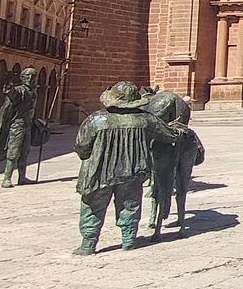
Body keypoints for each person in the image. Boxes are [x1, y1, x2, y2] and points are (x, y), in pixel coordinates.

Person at [72, 81, 180, 255]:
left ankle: (88, 244)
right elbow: (169, 135)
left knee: (93, 207)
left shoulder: (95, 119)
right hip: (132, 171)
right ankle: (128, 240)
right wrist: (179, 129)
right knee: (130, 205)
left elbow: (82, 147)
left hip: (99, 173)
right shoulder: (145, 119)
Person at [144, 90, 205, 238]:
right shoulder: (189, 133)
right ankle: (181, 225)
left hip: (162, 144)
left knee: (159, 185)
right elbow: (200, 156)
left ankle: (155, 224)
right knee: (182, 187)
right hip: (185, 143)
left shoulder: (152, 116)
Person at [0, 67, 44, 187]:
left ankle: (22, 177)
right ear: (22, 78)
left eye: (33, 77)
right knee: (13, 151)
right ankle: (7, 178)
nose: (31, 79)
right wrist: (8, 83)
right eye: (28, 76)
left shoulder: (32, 92)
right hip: (17, 125)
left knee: (25, 151)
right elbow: (10, 92)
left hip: (28, 125)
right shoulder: (19, 90)